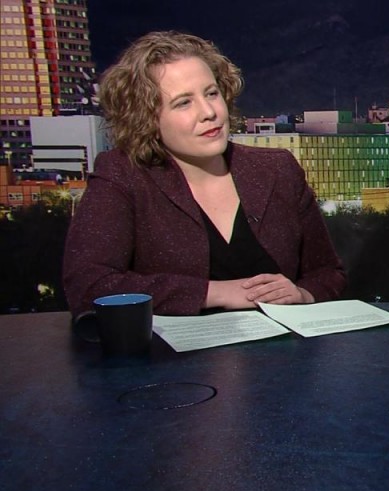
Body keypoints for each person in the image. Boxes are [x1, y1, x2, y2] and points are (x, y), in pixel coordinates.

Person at [63, 31, 346, 319]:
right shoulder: (123, 176)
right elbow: (89, 286)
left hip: (285, 357)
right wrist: (216, 292)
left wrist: (302, 294)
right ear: (146, 118)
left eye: (211, 93)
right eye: (183, 102)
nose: (209, 112)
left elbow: (327, 273)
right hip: (174, 362)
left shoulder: (277, 169)